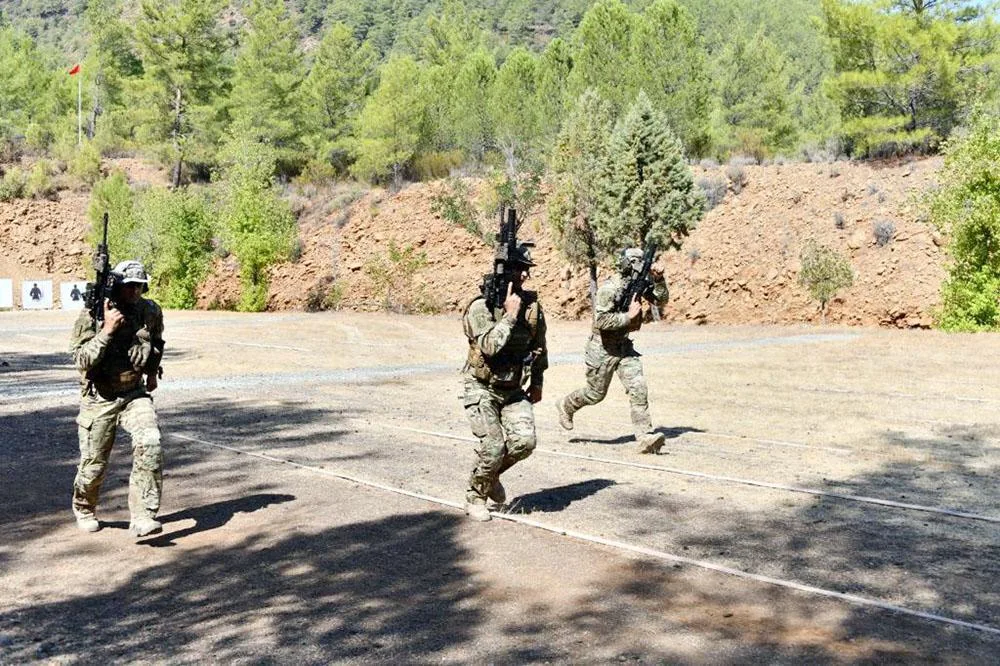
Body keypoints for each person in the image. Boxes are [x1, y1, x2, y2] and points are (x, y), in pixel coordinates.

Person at [69, 260, 165, 537]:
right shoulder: (94, 315)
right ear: (118, 286)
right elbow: (81, 360)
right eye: (129, 286)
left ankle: (143, 516)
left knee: (151, 442)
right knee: (93, 465)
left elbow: (157, 342)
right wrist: (106, 331)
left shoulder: (150, 311)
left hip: (134, 393)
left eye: (140, 286)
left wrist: (151, 372)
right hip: (100, 397)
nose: (135, 291)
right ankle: (84, 507)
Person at [461, 244, 548, 522]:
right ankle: (476, 496)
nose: (524, 275)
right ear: (504, 270)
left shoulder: (531, 307)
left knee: (524, 443)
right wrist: (509, 316)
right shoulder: (480, 306)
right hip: (482, 387)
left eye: (526, 270)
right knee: (493, 447)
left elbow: (539, 347)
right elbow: (488, 346)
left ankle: (490, 476)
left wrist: (537, 382)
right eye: (519, 269)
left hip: (513, 389)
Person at [556, 248, 668, 454]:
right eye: (635, 262)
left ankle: (645, 437)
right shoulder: (610, 288)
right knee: (595, 394)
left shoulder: (637, 284)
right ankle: (566, 405)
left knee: (638, 388)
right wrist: (628, 316)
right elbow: (600, 320)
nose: (639, 266)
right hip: (602, 348)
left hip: (624, 347)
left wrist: (659, 280)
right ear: (626, 264)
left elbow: (660, 301)